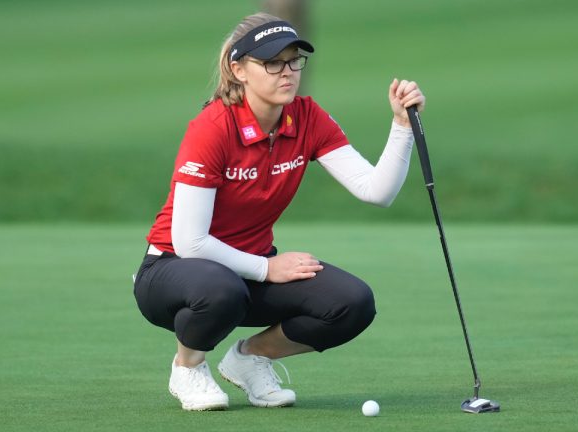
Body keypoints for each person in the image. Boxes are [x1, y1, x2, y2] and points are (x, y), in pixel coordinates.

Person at [133, 12, 425, 411]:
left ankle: (250, 358)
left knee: (351, 302)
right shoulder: (213, 128)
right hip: (172, 271)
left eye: (294, 61)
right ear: (239, 70)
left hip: (246, 271)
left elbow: (376, 191)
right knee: (222, 289)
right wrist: (267, 269)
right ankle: (188, 366)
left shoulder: (306, 117)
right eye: (272, 63)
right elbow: (190, 241)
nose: (286, 72)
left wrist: (401, 126)